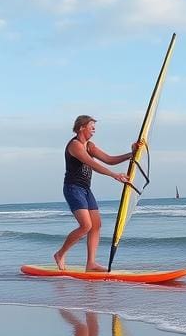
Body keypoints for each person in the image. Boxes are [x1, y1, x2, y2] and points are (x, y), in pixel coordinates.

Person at [54, 115, 135, 271]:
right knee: (86, 226)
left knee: (96, 225)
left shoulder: (90, 146)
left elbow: (109, 159)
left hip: (85, 189)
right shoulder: (75, 145)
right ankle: (60, 254)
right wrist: (114, 175)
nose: (94, 129)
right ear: (81, 127)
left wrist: (130, 154)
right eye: (91, 126)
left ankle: (91, 264)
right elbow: (92, 164)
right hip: (73, 188)